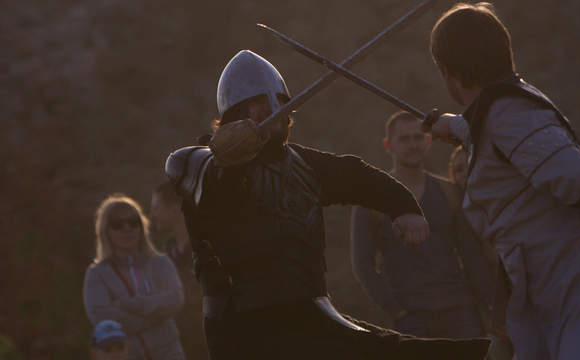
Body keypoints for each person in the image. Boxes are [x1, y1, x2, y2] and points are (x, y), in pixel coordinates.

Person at [165, 50, 490, 359]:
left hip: (312, 314)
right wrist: (231, 158)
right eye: (256, 102)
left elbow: (358, 176)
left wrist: (404, 206)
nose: (270, 108)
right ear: (234, 114)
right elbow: (216, 187)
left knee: (418, 354)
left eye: (277, 101)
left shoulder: (306, 165)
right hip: (243, 328)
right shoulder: (194, 162)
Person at [428, 3, 580, 360]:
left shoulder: (509, 113)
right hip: (558, 296)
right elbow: (491, 132)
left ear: (448, 73)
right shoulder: (498, 113)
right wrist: (450, 124)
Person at [351, 110, 492, 340]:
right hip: (411, 317)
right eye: (404, 139)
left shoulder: (450, 192)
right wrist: (396, 310)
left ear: (428, 142)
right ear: (388, 145)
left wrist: (491, 302)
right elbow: (362, 264)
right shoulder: (371, 201)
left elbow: (471, 255)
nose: (413, 144)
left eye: (418, 138)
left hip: (461, 310)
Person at [83, 194, 186, 360]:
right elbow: (101, 315)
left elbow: (174, 300)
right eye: (118, 224)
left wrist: (125, 304)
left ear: (142, 226)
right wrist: (153, 316)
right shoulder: (97, 273)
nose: (127, 228)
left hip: (170, 353)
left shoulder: (161, 263)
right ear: (105, 230)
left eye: (133, 222)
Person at [150, 181, 208, 360]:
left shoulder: (209, 252)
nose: (151, 216)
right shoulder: (161, 261)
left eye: (156, 208)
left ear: (175, 208)